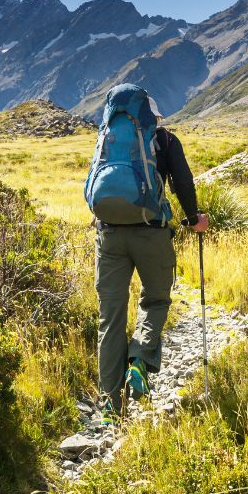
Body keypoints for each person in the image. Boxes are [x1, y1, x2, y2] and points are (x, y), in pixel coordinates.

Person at [93, 94, 208, 425]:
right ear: (152, 115)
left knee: (110, 318)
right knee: (155, 299)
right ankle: (139, 362)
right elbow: (183, 182)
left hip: (109, 235)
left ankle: (110, 405)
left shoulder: (108, 137)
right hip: (151, 232)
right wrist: (192, 218)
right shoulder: (165, 139)